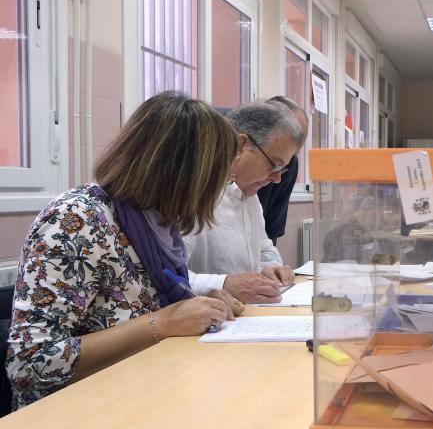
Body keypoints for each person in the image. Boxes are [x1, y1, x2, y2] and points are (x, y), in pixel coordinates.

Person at [5, 91, 238, 409]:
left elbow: (143, 300)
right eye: (222, 176)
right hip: (71, 416)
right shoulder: (77, 219)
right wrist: (164, 322)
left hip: (139, 392)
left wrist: (195, 302)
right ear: (186, 175)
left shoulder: (154, 224)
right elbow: (31, 365)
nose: (223, 186)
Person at [185, 101, 307, 303]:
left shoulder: (249, 195)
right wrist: (224, 284)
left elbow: (264, 247)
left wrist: (271, 269)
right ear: (241, 145)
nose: (277, 179)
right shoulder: (194, 193)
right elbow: (168, 276)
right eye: (274, 166)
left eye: (283, 169)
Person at [257, 96, 309, 248]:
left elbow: (271, 232)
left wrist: (271, 269)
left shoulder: (290, 165)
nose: (276, 177)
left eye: (295, 151)